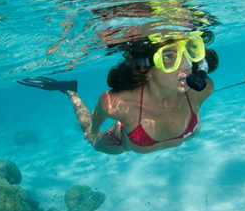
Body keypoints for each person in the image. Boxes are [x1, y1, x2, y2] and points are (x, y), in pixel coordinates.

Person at [18, 30, 218, 155]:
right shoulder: (119, 104)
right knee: (93, 142)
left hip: (163, 132)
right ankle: (71, 91)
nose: (185, 65)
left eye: (189, 53)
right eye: (169, 57)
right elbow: (98, 114)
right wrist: (95, 129)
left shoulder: (202, 89)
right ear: (145, 69)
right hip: (124, 141)